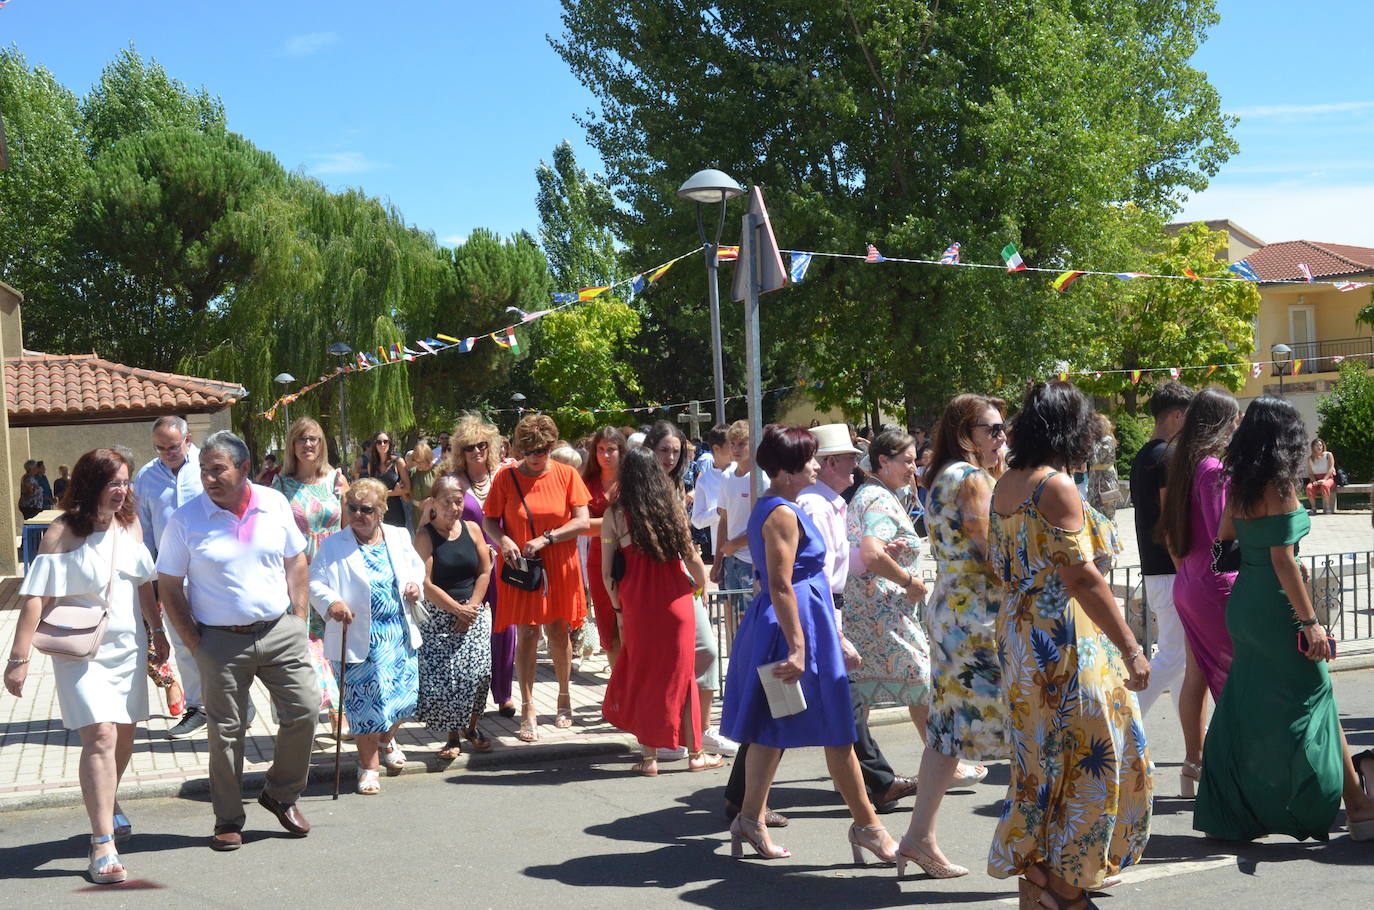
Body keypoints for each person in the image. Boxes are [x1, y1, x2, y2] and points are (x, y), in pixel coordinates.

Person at [988, 382, 1152, 909]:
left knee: (1041, 764)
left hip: (1021, 637)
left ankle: (1039, 880)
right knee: (1094, 765)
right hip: (1064, 640)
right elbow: (1084, 579)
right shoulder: (1054, 486)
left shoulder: (1007, 482)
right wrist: (1130, 646)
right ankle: (1065, 890)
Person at [1195, 396, 1374, 843]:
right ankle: (1356, 807)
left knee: (1245, 705)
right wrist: (1310, 620)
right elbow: (1282, 561)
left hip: (1245, 605)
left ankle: (1241, 808)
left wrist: (1265, 559)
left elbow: (1222, 552)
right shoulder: (1280, 487)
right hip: (1279, 607)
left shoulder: (1238, 487)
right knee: (1317, 693)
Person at [719, 425, 898, 863]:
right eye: (809, 460)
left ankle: (749, 819)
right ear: (785, 471)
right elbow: (779, 584)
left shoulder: (777, 505)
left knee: (769, 731)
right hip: (796, 628)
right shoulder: (781, 511)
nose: (817, 465)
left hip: (794, 624)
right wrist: (799, 648)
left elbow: (774, 583)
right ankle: (869, 828)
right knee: (836, 729)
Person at [5, 449, 163, 884]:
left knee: (124, 736)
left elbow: (144, 584)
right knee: (101, 734)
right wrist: (17, 659)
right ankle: (102, 844)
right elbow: (36, 596)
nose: (122, 490)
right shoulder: (62, 530)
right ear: (90, 483)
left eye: (126, 482)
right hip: (80, 651)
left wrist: (159, 631)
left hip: (126, 646)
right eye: (114, 482)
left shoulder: (129, 523)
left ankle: (107, 801)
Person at [156, 431, 318, 851]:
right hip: (220, 641)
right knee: (226, 732)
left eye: (218, 469)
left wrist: (298, 618)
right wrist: (194, 641)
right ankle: (228, 819)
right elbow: (169, 585)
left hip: (280, 631)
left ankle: (280, 794)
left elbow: (296, 559)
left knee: (304, 711)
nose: (208, 478)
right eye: (203, 470)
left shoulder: (274, 503)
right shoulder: (186, 520)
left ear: (244, 469)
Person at [900, 396, 1010, 878]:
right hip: (977, 614)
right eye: (994, 429)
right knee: (1026, 723)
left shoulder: (941, 474)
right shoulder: (970, 479)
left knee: (946, 728)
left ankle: (918, 836)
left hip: (952, 607)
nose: (1002, 437)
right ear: (968, 433)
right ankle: (1039, 846)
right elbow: (995, 552)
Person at [601, 447, 719, 773]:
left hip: (637, 605)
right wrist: (700, 586)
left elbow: (607, 573)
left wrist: (618, 609)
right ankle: (696, 754)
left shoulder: (614, 515)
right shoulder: (671, 509)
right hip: (676, 603)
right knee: (684, 679)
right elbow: (693, 559)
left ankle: (649, 757)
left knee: (644, 677)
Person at [843, 429, 952, 774]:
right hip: (884, 611)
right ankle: (943, 765)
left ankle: (855, 770)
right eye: (907, 461)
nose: (913, 469)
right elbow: (872, 552)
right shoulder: (878, 499)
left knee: (858, 692)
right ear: (883, 461)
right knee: (921, 680)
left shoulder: (873, 494)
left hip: (871, 609)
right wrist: (909, 580)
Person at [310, 479, 426, 794]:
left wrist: (416, 585)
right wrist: (331, 603)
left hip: (397, 633)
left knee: (404, 700)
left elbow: (417, 569)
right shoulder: (334, 544)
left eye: (367, 509)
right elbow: (315, 583)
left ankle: (387, 740)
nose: (359, 515)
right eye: (353, 508)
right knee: (366, 708)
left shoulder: (400, 536)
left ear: (381, 511)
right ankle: (368, 767)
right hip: (359, 635)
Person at [482, 414, 590, 742]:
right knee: (527, 634)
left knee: (559, 631)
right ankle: (528, 706)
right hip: (522, 566)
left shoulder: (567, 474)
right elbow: (490, 521)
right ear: (520, 448)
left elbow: (582, 521)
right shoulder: (506, 477)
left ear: (551, 446)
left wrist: (548, 538)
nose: (536, 456)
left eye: (542, 449)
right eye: (529, 450)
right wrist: (504, 541)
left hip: (558, 563)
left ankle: (563, 698)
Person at [1159, 388, 1239, 797]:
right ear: (1221, 424)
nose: (1238, 428)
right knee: (1235, 680)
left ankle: (1194, 766)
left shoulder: (1183, 464)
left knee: (1197, 676)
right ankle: (1232, 775)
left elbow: (1174, 536)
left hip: (1189, 579)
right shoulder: (1210, 468)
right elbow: (1223, 540)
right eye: (1234, 420)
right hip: (1214, 584)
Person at [646, 420, 735, 758]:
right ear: (651, 450)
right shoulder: (642, 489)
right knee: (665, 660)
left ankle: (699, 730)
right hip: (659, 581)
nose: (670, 456)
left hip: (683, 578)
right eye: (664, 450)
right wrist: (700, 573)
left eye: (675, 450)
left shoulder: (676, 484)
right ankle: (669, 736)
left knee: (707, 651)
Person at [271, 417, 348, 735]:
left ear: (322, 443)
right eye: (302, 439)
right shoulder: (281, 484)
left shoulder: (336, 479)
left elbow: (350, 524)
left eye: (314, 438)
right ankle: (329, 708)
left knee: (336, 642)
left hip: (332, 570)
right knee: (306, 642)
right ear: (292, 445)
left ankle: (338, 707)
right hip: (297, 573)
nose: (308, 445)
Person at [133, 416, 208, 740]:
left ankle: (239, 706)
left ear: (188, 439)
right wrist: (149, 580)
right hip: (172, 575)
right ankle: (199, 708)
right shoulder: (146, 477)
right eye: (160, 448)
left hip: (211, 571)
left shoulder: (209, 465)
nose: (167, 453)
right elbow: (145, 532)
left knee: (225, 639)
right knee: (183, 642)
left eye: (173, 447)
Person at [414, 475, 494, 760]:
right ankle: (452, 736)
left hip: (472, 612)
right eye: (446, 502)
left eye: (458, 501)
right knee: (450, 679)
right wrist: (455, 610)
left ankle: (471, 728)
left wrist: (471, 608)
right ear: (433, 503)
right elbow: (425, 583)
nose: (453, 507)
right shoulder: (425, 535)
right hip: (441, 615)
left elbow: (485, 571)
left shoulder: (473, 529)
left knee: (478, 675)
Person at [1129, 381, 1194, 726]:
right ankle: (1123, 725)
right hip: (1171, 571)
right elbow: (1170, 522)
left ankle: (1197, 739)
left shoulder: (1143, 456)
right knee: (1172, 655)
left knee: (1182, 659)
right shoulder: (1167, 456)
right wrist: (1187, 570)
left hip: (1157, 571)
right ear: (1177, 415)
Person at [444, 414, 516, 718]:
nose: (477, 451)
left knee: (506, 626)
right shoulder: (453, 482)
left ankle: (504, 694)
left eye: (483, 445)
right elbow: (440, 520)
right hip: (468, 565)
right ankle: (469, 696)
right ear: (461, 450)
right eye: (471, 446)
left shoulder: (504, 474)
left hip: (503, 561)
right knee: (467, 625)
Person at [580, 427, 627, 667]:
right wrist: (618, 522)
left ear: (621, 451)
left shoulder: (631, 480)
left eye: (611, 449)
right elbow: (582, 526)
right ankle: (617, 685)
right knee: (608, 625)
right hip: (599, 558)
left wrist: (602, 523)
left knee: (631, 621)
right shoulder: (587, 483)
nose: (606, 455)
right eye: (601, 449)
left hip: (631, 556)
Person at [712, 420, 755, 593]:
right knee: (731, 614)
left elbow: (764, 526)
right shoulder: (727, 476)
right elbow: (724, 519)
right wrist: (717, 562)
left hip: (752, 561)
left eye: (742, 444)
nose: (736, 449)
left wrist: (735, 543)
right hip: (731, 559)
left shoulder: (760, 479)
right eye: (732, 444)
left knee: (750, 616)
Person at [690, 424, 731, 561]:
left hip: (748, 553)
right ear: (716, 449)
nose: (736, 451)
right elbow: (697, 521)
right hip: (722, 555)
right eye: (731, 446)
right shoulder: (705, 480)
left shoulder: (745, 473)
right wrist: (718, 512)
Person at [363, 431, 410, 528]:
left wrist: (386, 493)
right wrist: (395, 492)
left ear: (390, 443)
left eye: (385, 441)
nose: (382, 444)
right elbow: (371, 490)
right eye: (379, 442)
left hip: (396, 510)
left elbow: (407, 488)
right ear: (375, 444)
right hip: (377, 510)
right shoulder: (371, 465)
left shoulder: (398, 462)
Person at [1084, 414, 1122, 520]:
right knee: (1093, 512)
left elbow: (1095, 459)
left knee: (1107, 513)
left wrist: (1090, 442)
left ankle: (1110, 535)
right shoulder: (1096, 441)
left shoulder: (1107, 440)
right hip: (1095, 480)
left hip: (1105, 481)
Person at [407, 441, 438, 532]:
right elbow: (407, 497)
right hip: (417, 515)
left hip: (435, 514)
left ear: (428, 459)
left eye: (421, 462)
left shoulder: (438, 471)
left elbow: (446, 494)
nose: (418, 464)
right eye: (415, 461)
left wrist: (431, 501)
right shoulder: (412, 472)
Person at [1305, 437, 1337, 515]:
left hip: (1328, 478)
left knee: (1324, 485)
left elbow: (1331, 469)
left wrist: (1324, 480)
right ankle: (1313, 508)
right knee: (1309, 488)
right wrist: (1314, 481)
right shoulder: (1310, 459)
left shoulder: (1328, 455)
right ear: (1313, 447)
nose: (1319, 447)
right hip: (1316, 479)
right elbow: (1310, 473)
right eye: (1317, 445)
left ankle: (1328, 507)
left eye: (1320, 445)